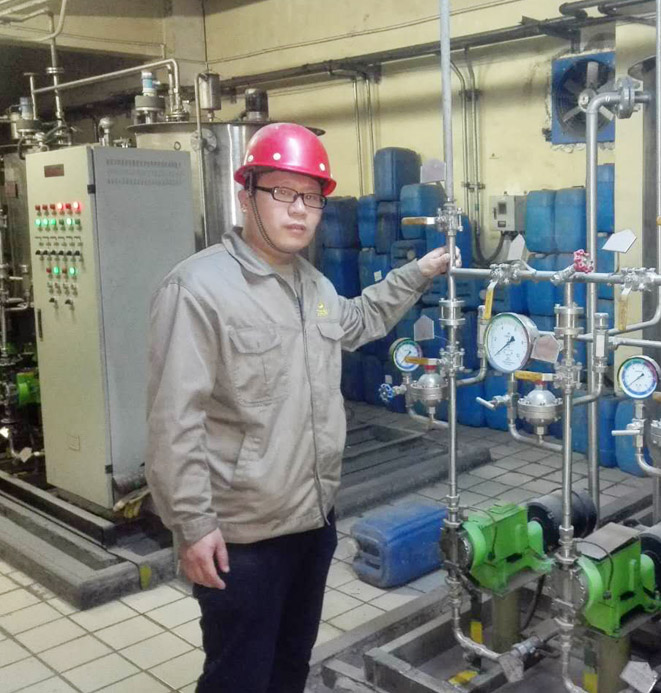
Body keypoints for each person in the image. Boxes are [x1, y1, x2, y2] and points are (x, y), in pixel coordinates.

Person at [145, 122, 455, 693]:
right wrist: (193, 527)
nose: (299, 210)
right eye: (282, 192)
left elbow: (359, 319)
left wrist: (419, 272)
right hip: (241, 538)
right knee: (238, 677)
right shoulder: (197, 289)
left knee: (291, 666)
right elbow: (173, 422)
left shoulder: (313, 286)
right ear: (246, 196)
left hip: (313, 522)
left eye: (311, 197)